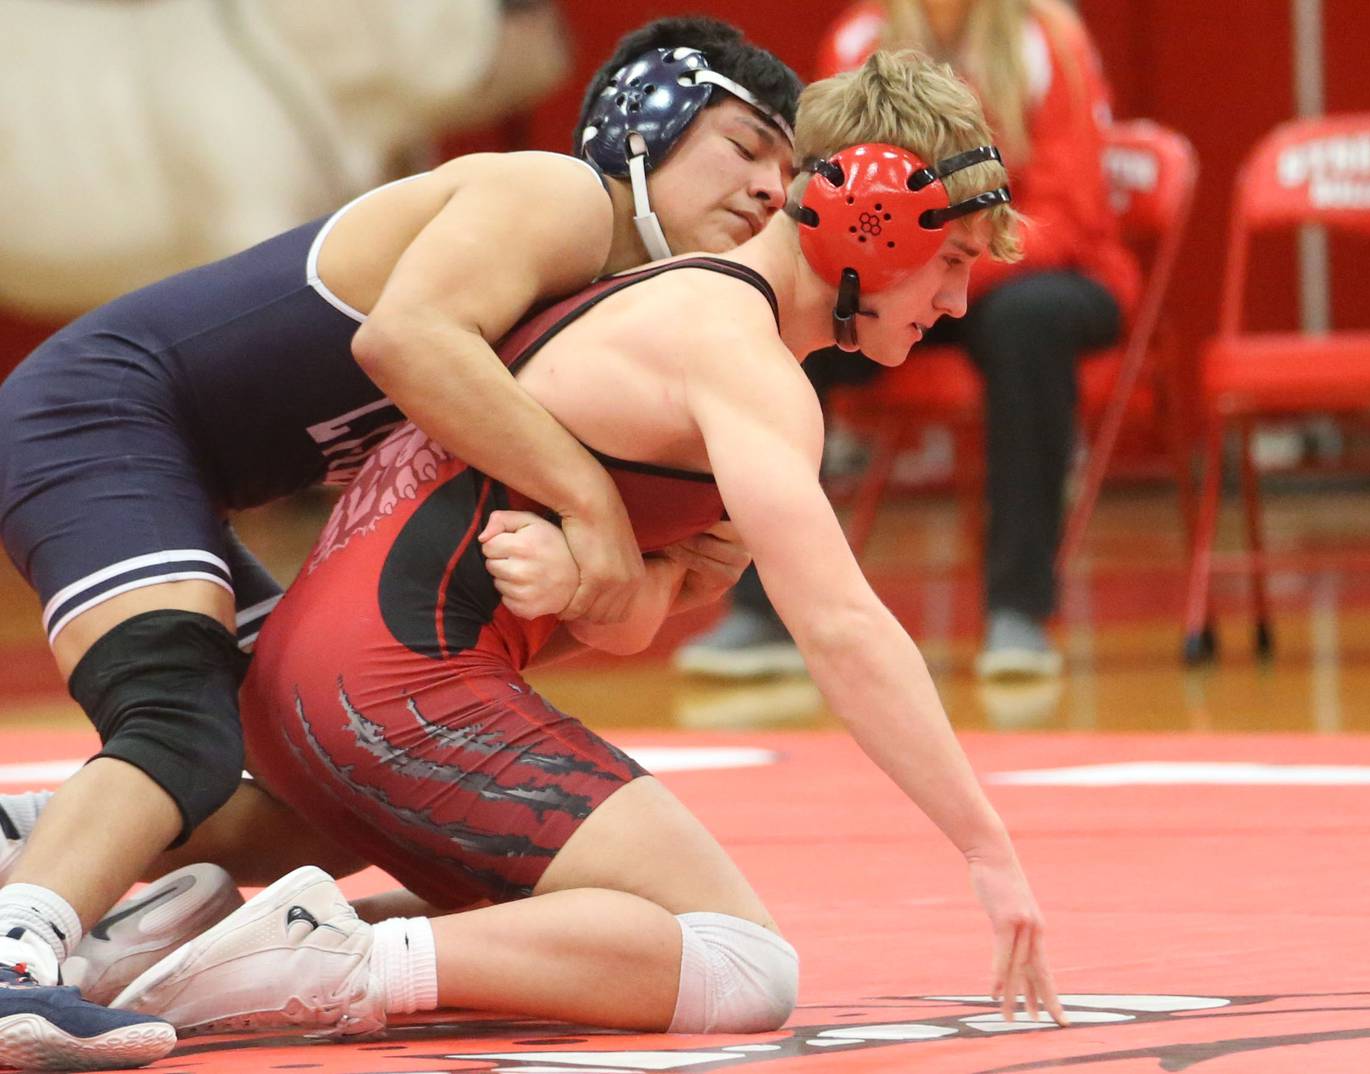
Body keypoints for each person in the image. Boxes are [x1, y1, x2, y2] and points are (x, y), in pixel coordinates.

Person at [105, 50, 1067, 1041]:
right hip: (387, 689)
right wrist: (984, 848)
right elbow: (839, 627)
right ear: (875, 217)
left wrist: (593, 570)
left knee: (603, 923)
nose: (959, 303)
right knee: (738, 960)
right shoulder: (735, 353)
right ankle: (322, 958)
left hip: (323, 683)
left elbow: (635, 616)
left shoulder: (691, 314)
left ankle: (182, 941)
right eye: (954, 261)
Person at [0, 17, 799, 1069]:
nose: (769, 189)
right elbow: (404, 338)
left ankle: (38, 851)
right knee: (177, 717)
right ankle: (16, 961)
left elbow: (493, 611)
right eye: (746, 148)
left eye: (788, 172)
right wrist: (596, 510)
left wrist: (656, 580)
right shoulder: (559, 198)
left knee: (335, 780)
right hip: (102, 413)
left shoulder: (619, 309)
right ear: (643, 124)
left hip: (178, 463)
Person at [678, 0, 1139, 682]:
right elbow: (828, 190)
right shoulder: (859, 39)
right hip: (896, 270)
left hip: (1036, 270)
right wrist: (897, 275)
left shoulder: (1050, 41)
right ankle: (763, 607)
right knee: (784, 319)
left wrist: (934, 266)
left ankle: (1019, 610)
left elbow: (1065, 215)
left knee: (1028, 323)